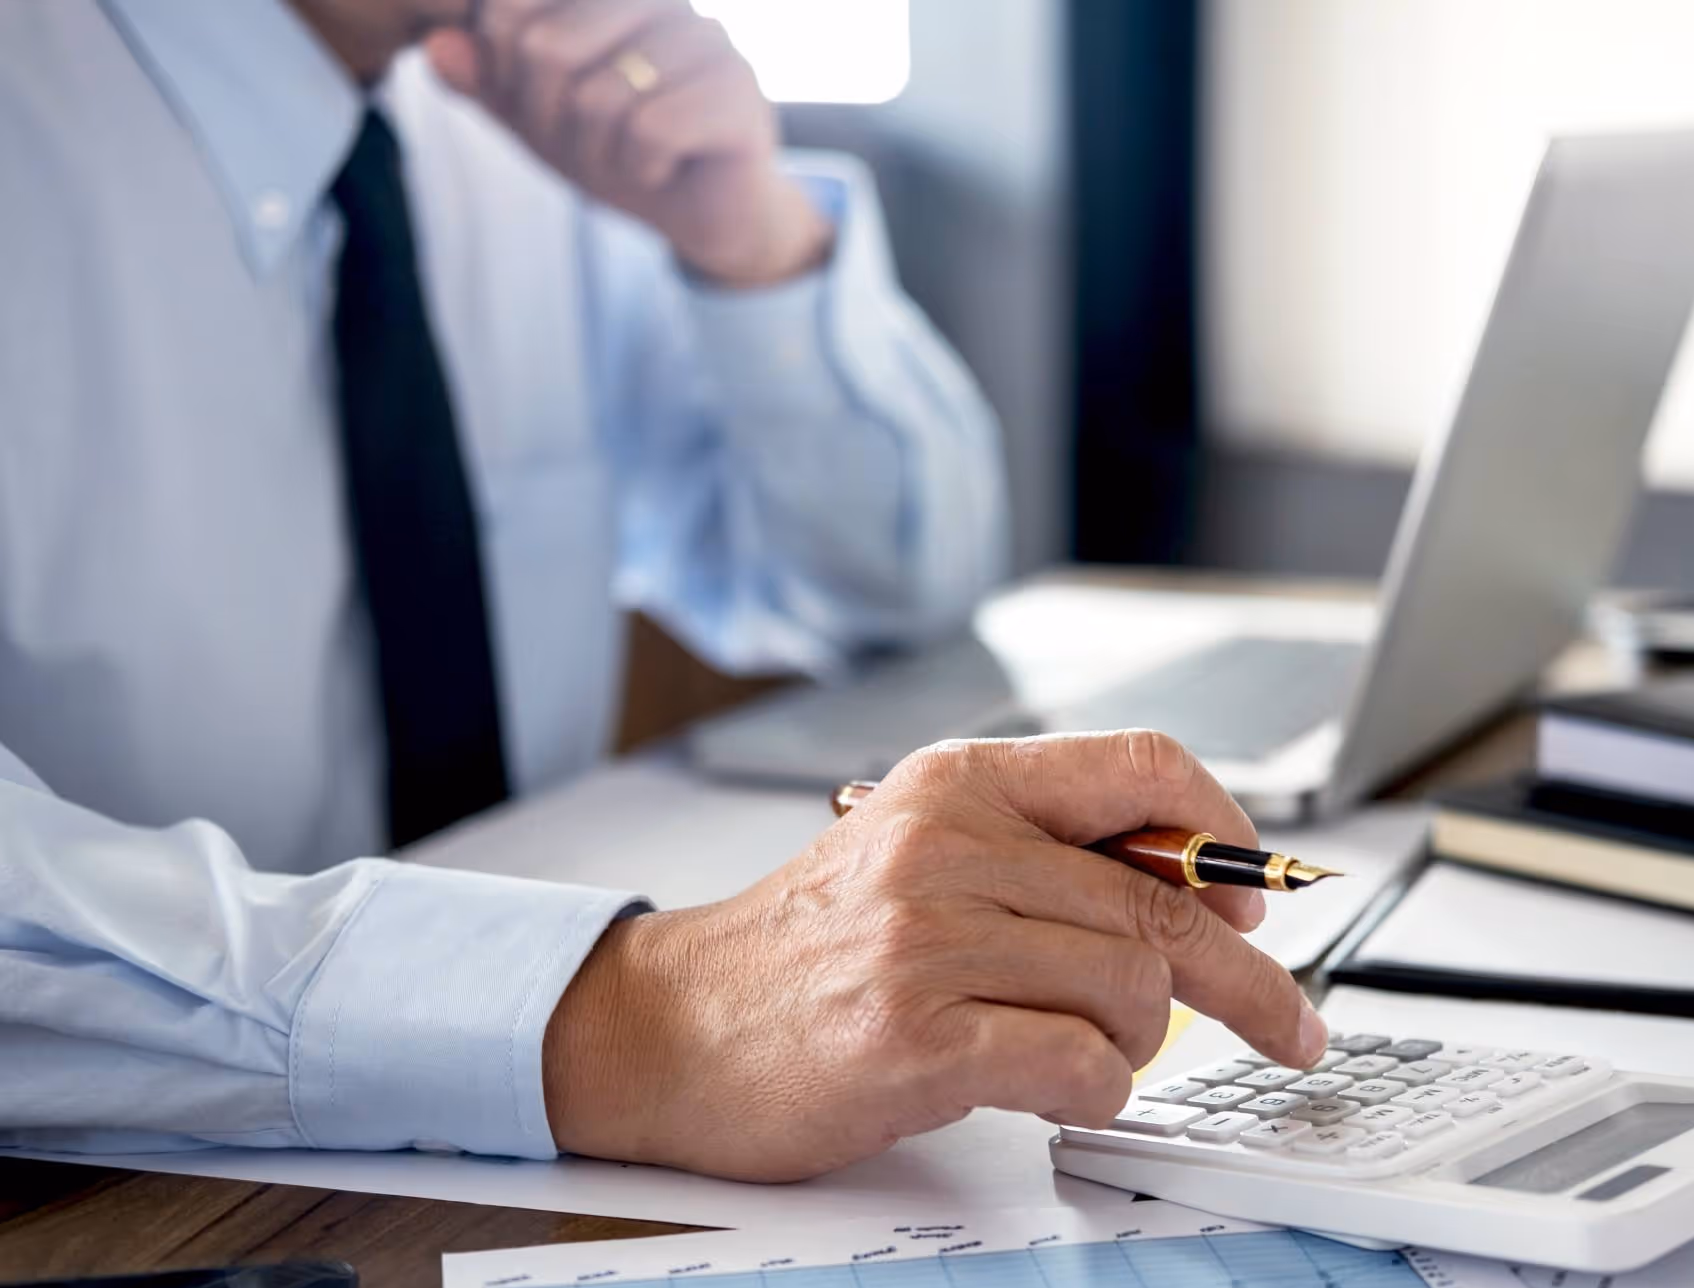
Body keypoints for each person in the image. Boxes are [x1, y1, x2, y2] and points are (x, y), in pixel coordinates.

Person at [0, 0, 1326, 1181]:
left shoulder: (528, 128)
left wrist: (745, 239)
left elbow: (899, 599)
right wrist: (631, 1017)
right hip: (119, 1192)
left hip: (517, 1167)